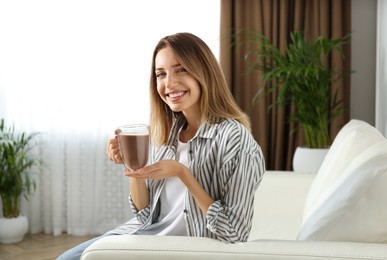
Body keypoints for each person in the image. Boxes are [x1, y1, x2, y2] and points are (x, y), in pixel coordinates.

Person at [57, 32, 265, 260]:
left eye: (181, 69)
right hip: (142, 236)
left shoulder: (234, 138)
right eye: (161, 74)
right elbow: (145, 213)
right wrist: (132, 165)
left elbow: (235, 233)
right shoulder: (165, 135)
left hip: (180, 250)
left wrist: (182, 173)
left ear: (204, 72)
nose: (169, 83)